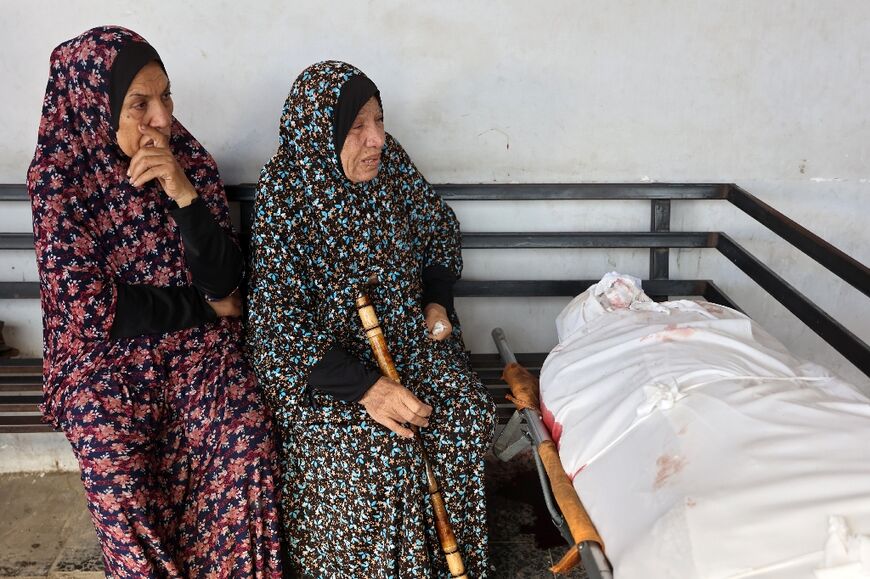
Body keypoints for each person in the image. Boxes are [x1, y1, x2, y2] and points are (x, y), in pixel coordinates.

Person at [27, 26, 283, 577]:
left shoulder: (187, 157)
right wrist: (204, 307)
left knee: (244, 433)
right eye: (140, 104)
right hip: (101, 359)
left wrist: (184, 197)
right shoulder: (58, 179)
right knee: (111, 451)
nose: (162, 118)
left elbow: (225, 282)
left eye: (166, 97)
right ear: (95, 106)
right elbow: (91, 311)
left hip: (195, 349)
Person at [247, 60, 496, 577]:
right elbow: (276, 322)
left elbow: (436, 230)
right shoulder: (286, 192)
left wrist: (435, 301)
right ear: (323, 131)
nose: (377, 139)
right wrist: (367, 388)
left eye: (379, 120)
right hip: (324, 372)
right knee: (383, 450)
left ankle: (452, 563)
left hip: (405, 340)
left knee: (465, 414)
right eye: (358, 126)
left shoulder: (391, 165)